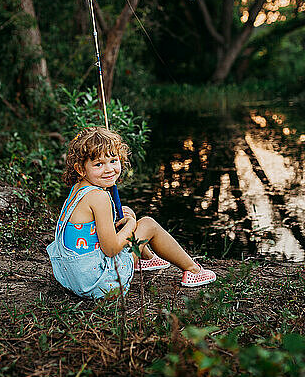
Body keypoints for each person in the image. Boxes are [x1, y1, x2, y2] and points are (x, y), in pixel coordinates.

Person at [47, 126, 216, 299]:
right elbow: (111, 249)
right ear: (80, 169)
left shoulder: (78, 190)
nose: (109, 169)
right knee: (148, 224)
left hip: (73, 279)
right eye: (99, 164)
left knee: (124, 223)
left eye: (113, 160)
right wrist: (132, 223)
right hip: (102, 285)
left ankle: (147, 259)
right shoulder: (99, 197)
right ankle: (193, 270)